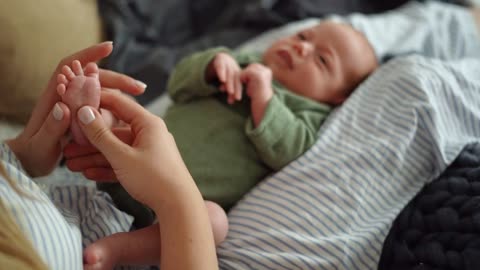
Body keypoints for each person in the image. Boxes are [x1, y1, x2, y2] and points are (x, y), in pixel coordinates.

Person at [62, 20, 377, 269]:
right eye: (304, 36)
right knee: (121, 111)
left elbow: (288, 152)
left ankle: (119, 250)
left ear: (339, 98)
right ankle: (83, 118)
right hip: (126, 163)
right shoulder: (239, 62)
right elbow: (179, 84)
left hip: (172, 215)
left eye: (322, 60)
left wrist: (265, 99)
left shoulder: (309, 115)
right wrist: (213, 65)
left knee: (215, 222)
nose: (301, 49)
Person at [0, 42, 220, 270]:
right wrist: (177, 198)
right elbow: (181, 79)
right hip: (128, 222)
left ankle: (87, 121)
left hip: (90, 200)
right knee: (212, 219)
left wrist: (19, 158)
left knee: (214, 217)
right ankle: (119, 249)